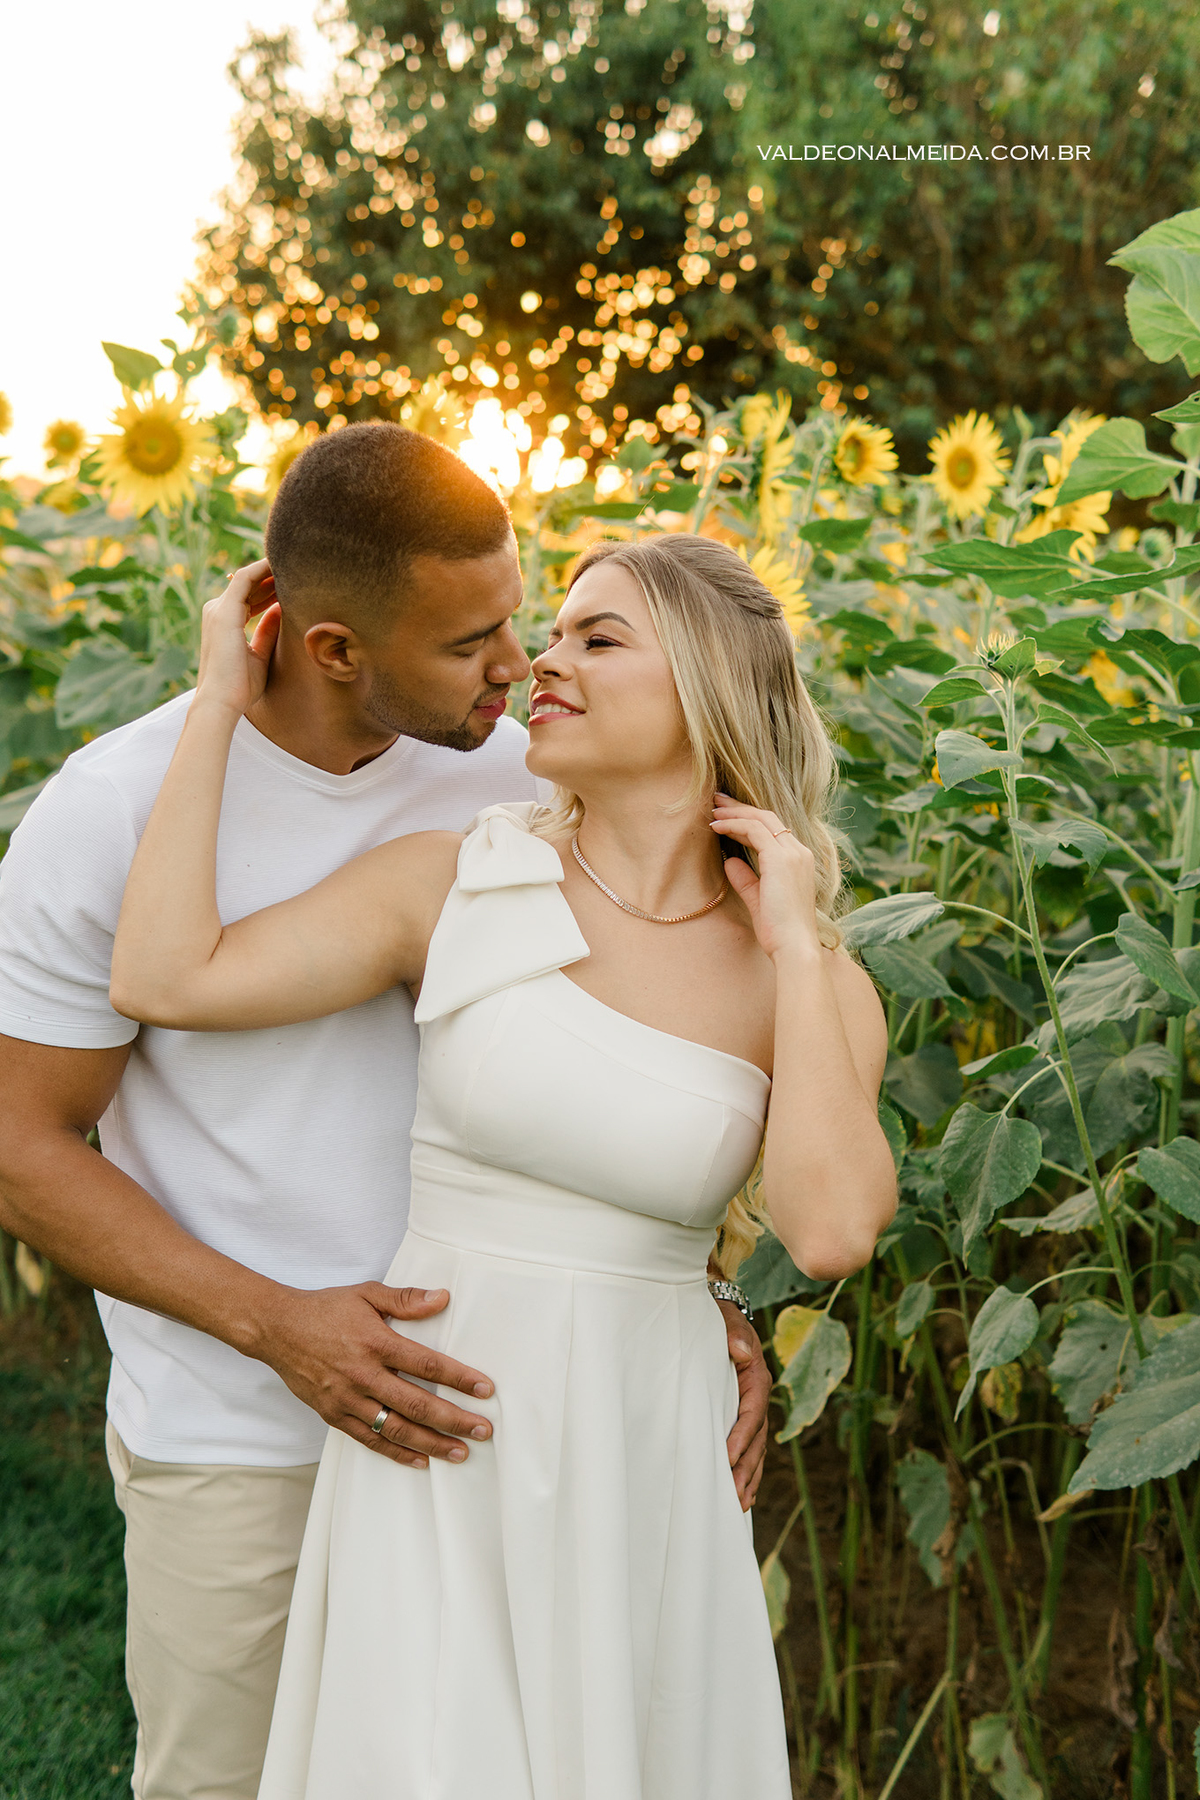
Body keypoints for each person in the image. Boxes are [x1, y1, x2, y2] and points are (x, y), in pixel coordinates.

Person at [0, 423, 774, 1800]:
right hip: (240, 1432)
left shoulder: (521, 768)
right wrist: (276, 1326)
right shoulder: (115, 813)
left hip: (509, 1427)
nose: (518, 668)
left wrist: (694, 1293)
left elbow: (646, 1040)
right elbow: (19, 1143)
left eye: (521, 622)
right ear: (334, 646)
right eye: (469, 642)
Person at [109, 528, 897, 1798]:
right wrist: (218, 704)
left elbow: (832, 1231)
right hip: (444, 1443)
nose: (544, 661)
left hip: (642, 1458)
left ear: (704, 683)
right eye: (555, 630)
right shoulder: (459, 881)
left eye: (599, 637)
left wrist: (797, 948)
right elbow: (163, 978)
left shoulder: (805, 978)